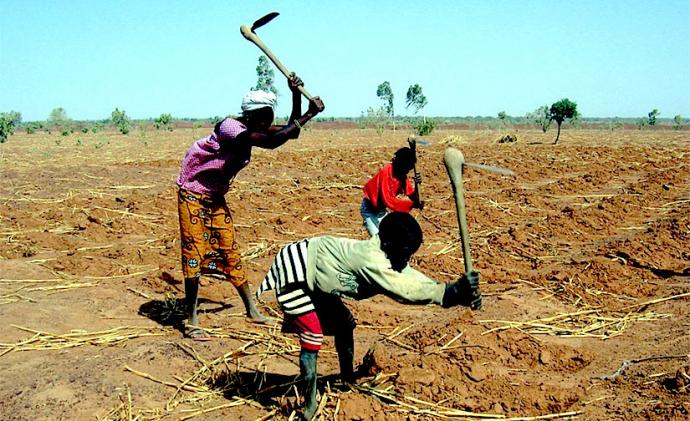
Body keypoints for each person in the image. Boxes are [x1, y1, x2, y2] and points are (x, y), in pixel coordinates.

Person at [256, 212, 481, 420]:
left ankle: (346, 380)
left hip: (320, 277)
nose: (407, 259)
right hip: (295, 274)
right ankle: (310, 405)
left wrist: (454, 294)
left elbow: (407, 275)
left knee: (345, 325)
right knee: (313, 338)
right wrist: (448, 292)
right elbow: (403, 289)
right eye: (405, 254)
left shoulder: (388, 251)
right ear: (390, 244)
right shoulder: (370, 259)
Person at [176, 74, 325, 340]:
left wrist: (294, 95)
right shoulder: (230, 128)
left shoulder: (252, 128)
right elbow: (273, 140)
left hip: (214, 196)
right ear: (258, 115)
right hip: (193, 194)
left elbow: (290, 133)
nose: (270, 122)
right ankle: (192, 319)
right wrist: (308, 114)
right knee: (194, 253)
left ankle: (251, 310)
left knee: (229, 248)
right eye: (268, 117)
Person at [360, 147, 424, 236]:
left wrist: (417, 185)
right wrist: (412, 205)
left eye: (407, 170)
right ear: (397, 163)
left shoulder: (402, 176)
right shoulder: (386, 172)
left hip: (381, 211)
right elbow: (388, 200)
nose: (405, 172)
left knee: (389, 238)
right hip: (369, 210)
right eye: (404, 169)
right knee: (377, 241)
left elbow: (412, 195)